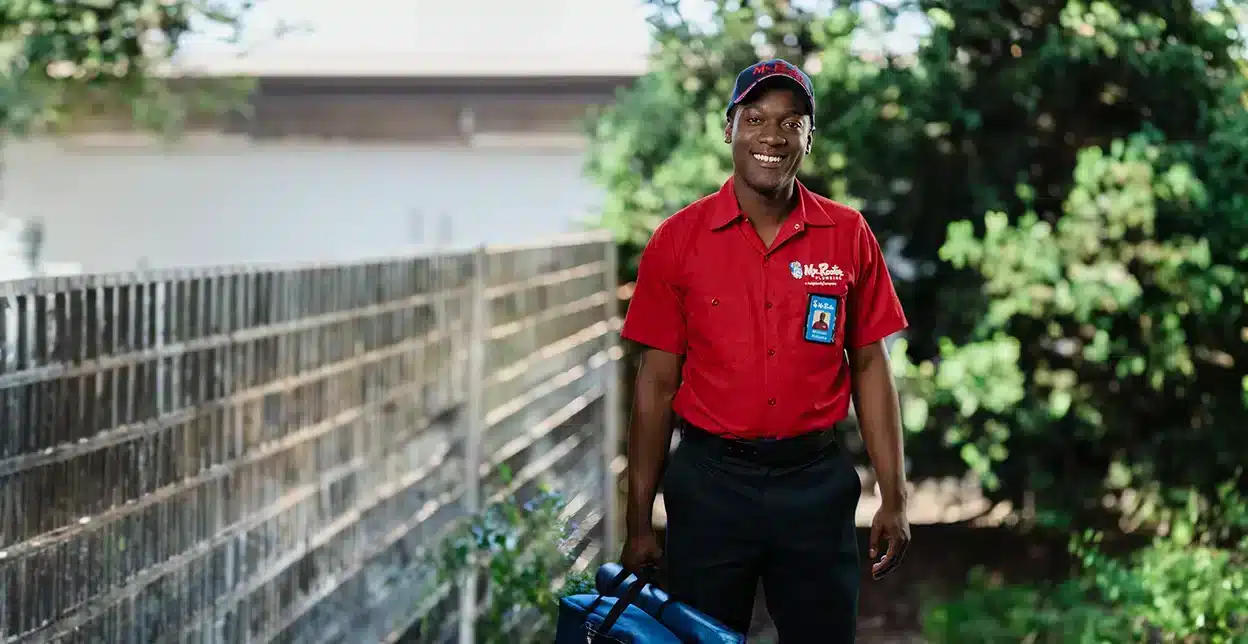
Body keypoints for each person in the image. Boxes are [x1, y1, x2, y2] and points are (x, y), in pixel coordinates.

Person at [619, 58, 911, 642]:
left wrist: (894, 495)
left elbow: (872, 367)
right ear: (730, 128)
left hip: (815, 485)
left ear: (808, 135)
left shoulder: (848, 235)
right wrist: (638, 521)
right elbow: (654, 386)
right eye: (755, 119)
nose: (772, 137)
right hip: (709, 486)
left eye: (790, 121)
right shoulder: (678, 241)